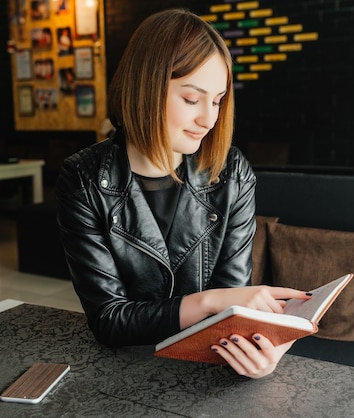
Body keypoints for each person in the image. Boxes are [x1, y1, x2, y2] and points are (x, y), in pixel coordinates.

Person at [55, 8, 311, 379]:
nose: (208, 119)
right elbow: (109, 320)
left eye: (218, 100)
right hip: (125, 371)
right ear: (145, 87)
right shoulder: (84, 179)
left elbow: (231, 311)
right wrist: (209, 302)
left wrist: (257, 352)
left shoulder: (232, 173)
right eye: (192, 99)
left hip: (203, 368)